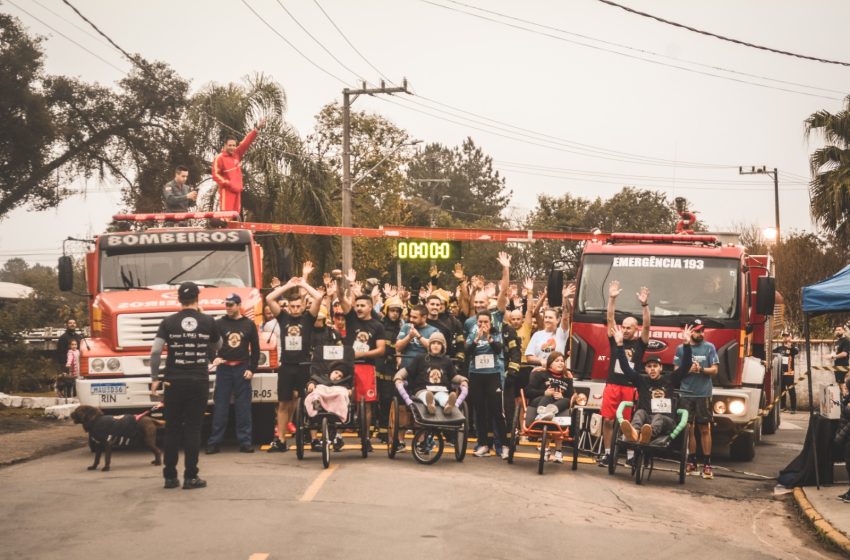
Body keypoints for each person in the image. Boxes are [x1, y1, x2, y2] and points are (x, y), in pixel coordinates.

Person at [150, 282, 221, 490]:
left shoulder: (168, 322)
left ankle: (170, 477)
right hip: (198, 381)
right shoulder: (208, 321)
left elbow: (155, 352)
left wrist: (155, 378)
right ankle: (191, 477)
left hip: (173, 381)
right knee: (193, 429)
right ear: (198, 298)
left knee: (172, 429)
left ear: (178, 299)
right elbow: (218, 346)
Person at [265, 264, 322, 452]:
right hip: (287, 366)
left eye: (299, 306)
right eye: (292, 306)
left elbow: (319, 297)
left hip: (305, 366)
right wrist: (288, 286)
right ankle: (281, 440)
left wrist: (304, 284)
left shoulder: (308, 318)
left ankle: (314, 439)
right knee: (283, 403)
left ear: (303, 306)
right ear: (288, 307)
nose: (296, 309)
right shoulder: (283, 318)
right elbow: (269, 298)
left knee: (310, 402)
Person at [598, 281, 650, 468]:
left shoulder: (640, 343)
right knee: (608, 420)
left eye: (630, 327)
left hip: (630, 387)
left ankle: (630, 455)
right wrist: (612, 298)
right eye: (624, 326)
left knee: (628, 423)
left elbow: (647, 326)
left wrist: (644, 305)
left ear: (635, 329)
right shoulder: (616, 339)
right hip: (613, 384)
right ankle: (607, 454)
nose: (626, 329)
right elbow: (610, 318)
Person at [615, 325, 693, 444]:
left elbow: (686, 365)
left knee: (658, 417)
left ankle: (649, 434)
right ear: (645, 369)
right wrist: (620, 345)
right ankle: (635, 433)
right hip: (647, 418)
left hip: (666, 420)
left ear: (660, 368)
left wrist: (687, 345)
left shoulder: (670, 378)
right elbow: (625, 368)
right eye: (649, 366)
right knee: (640, 412)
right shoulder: (641, 380)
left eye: (655, 366)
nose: (652, 369)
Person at [338, 269, 387, 452]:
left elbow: (381, 350)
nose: (358, 308)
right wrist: (340, 282)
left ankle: (365, 437)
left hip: (367, 368)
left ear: (370, 307)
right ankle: (337, 435)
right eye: (356, 305)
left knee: (367, 405)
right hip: (349, 367)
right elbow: (341, 299)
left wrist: (361, 355)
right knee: (341, 399)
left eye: (362, 306)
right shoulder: (350, 318)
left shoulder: (378, 326)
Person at [205, 293, 260, 454]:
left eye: (231, 305)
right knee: (220, 406)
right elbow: (209, 344)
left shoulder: (248, 324)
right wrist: (214, 358)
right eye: (226, 305)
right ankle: (214, 442)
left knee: (243, 407)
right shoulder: (218, 324)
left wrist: (252, 369)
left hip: (242, 368)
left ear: (238, 305)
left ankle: (245, 442)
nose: (228, 308)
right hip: (224, 369)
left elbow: (255, 349)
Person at [674, 319, 719, 480]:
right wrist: (687, 369)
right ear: (690, 332)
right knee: (689, 429)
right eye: (697, 331)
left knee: (704, 428)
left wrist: (701, 369)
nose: (700, 334)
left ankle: (707, 463)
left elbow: (714, 370)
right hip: (686, 394)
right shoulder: (681, 348)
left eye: (702, 331)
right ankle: (692, 461)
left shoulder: (709, 347)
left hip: (703, 394)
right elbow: (676, 371)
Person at [394, 332, 468, 417]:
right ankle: (430, 405)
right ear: (429, 345)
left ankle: (448, 405)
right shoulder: (420, 358)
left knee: (443, 397)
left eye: (438, 344)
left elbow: (454, 376)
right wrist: (398, 377)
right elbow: (407, 370)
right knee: (426, 396)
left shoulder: (447, 361)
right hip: (423, 389)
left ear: (442, 346)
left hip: (441, 390)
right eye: (433, 343)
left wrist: (463, 380)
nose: (435, 345)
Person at [466, 312, 507, 458]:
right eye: (480, 322)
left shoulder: (496, 334)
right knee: (479, 410)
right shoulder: (472, 335)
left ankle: (504, 445)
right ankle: (483, 444)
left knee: (496, 410)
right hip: (476, 375)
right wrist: (477, 338)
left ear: (490, 322)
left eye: (486, 322)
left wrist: (488, 337)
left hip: (492, 375)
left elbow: (498, 349)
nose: (483, 325)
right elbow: (467, 351)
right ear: (476, 323)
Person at [524, 351, 574, 463]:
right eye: (557, 361)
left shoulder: (567, 379)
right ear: (550, 363)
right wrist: (544, 393)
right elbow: (528, 391)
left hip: (559, 407)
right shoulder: (540, 374)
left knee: (566, 400)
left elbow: (571, 396)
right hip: (540, 403)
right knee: (549, 396)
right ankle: (543, 414)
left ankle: (548, 412)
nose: (561, 363)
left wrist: (562, 395)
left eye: (562, 361)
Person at [211, 118, 265, 215]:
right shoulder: (219, 158)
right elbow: (215, 175)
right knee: (226, 216)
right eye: (230, 145)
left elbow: (246, 142)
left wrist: (257, 129)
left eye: (234, 145)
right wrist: (228, 183)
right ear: (224, 145)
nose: (232, 147)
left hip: (237, 191)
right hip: (227, 191)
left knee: (235, 217)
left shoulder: (237, 154)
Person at [396, 304, 438, 371]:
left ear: (424, 317)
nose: (411, 319)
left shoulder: (434, 330)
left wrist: (418, 336)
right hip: (406, 367)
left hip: (424, 368)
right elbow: (398, 348)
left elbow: (433, 349)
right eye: (410, 316)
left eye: (415, 317)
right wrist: (409, 336)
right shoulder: (406, 327)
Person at [772, 332, 799, 413]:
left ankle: (793, 408)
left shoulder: (793, 348)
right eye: (784, 336)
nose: (785, 338)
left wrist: (790, 346)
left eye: (787, 336)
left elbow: (796, 352)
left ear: (790, 337)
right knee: (781, 390)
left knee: (791, 390)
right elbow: (772, 353)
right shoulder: (779, 348)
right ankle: (783, 407)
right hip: (780, 372)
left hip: (789, 373)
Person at [830, 325, 850, 391]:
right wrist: (830, 355)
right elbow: (835, 353)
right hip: (837, 365)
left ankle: (846, 400)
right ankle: (843, 399)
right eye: (836, 330)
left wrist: (833, 356)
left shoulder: (846, 341)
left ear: (843, 331)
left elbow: (844, 354)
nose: (837, 331)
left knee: (844, 385)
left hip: (843, 365)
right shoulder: (837, 341)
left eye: (839, 330)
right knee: (839, 383)